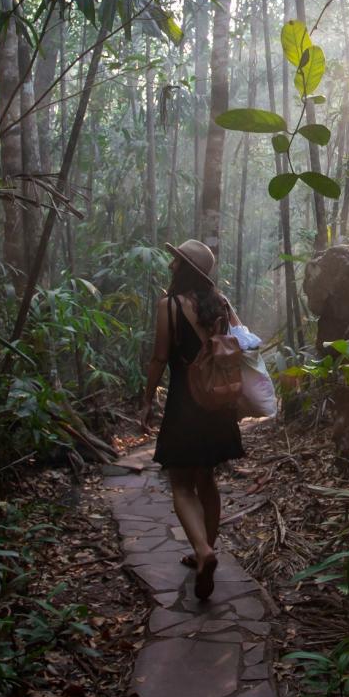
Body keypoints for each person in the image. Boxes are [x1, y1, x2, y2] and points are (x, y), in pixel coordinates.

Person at [140, 239, 244, 601]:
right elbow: (242, 342)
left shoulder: (168, 307)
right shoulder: (221, 305)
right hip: (219, 404)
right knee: (208, 481)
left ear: (182, 268)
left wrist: (147, 400)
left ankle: (202, 551)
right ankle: (204, 549)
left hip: (185, 405)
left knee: (181, 485)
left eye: (175, 261)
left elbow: (159, 358)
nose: (171, 265)